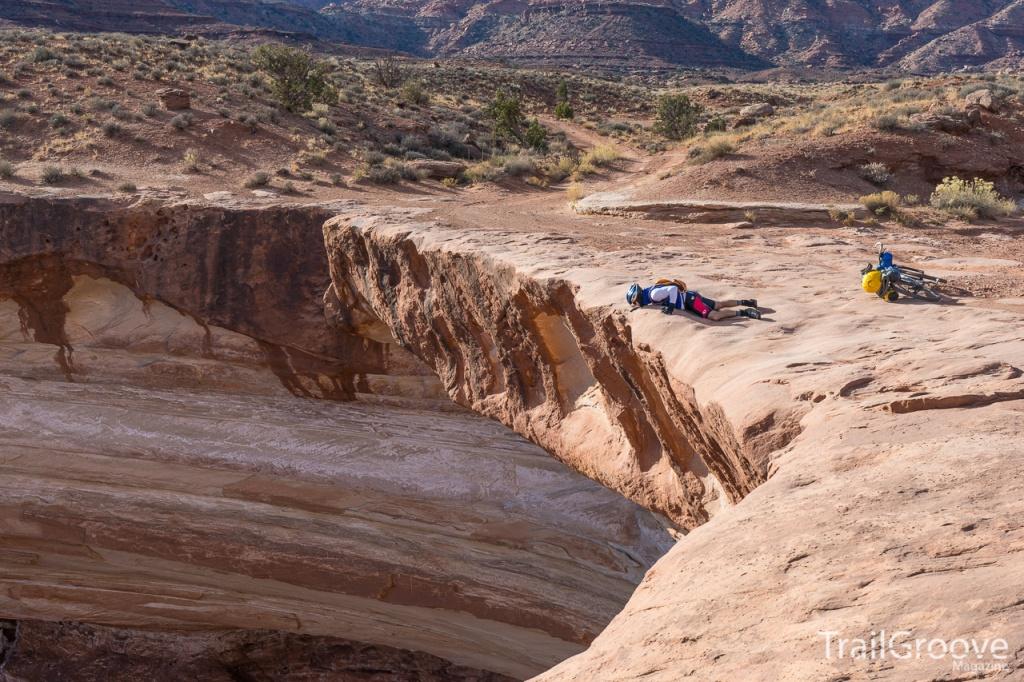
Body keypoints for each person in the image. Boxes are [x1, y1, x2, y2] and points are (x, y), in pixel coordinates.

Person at [626, 280, 761, 320]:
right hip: (690, 296)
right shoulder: (649, 293)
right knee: (718, 304)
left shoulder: (653, 295)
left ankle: (745, 312)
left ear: (636, 297)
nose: (637, 305)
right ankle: (746, 302)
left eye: (635, 302)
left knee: (714, 315)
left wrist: (672, 306)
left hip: (690, 301)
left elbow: (672, 289)